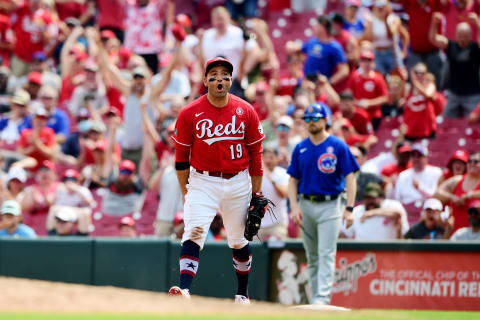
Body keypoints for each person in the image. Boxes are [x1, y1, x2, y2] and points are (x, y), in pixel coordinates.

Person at [168, 57, 265, 304]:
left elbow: (256, 155)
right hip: (203, 180)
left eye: (225, 74)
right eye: (214, 73)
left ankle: (242, 294)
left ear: (231, 80)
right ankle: (184, 290)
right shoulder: (190, 112)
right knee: (194, 231)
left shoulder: (246, 110)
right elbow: (181, 158)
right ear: (205, 80)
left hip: (239, 180)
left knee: (237, 239)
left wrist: (256, 192)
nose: (220, 77)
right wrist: (184, 190)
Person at [287, 102, 358, 305]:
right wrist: (294, 206)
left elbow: (351, 177)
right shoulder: (301, 148)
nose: (311, 122)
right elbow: (293, 180)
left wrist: (350, 208)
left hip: (331, 204)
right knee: (312, 255)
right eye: (307, 119)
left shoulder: (337, 145)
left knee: (326, 252)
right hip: (306, 204)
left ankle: (322, 298)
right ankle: (315, 297)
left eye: (315, 118)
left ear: (325, 120)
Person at [429, 13, 480, 118]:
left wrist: (477, 24)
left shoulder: (475, 48)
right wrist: (434, 23)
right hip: (454, 94)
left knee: (473, 124)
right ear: (456, 35)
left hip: (472, 95)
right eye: (460, 36)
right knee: (446, 121)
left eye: (465, 36)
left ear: (470, 36)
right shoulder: (451, 45)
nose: (462, 39)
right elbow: (433, 38)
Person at [343, 182, 408, 240]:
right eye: (367, 198)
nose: (370, 201)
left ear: (381, 197)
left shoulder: (392, 204)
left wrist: (372, 213)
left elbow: (397, 214)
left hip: (387, 249)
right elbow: (345, 233)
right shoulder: (356, 211)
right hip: (362, 250)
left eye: (373, 198)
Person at [435, 151, 480, 233]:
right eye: (469, 161)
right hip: (455, 234)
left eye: (476, 161)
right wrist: (453, 197)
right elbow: (437, 193)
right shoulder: (458, 180)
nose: (472, 164)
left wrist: (471, 195)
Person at [258, 147, 289, 241]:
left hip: (278, 223)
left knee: (278, 250)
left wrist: (270, 178)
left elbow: (284, 194)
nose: (268, 160)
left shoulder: (283, 173)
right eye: (266, 157)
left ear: (277, 158)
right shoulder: (256, 174)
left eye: (271, 157)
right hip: (258, 224)